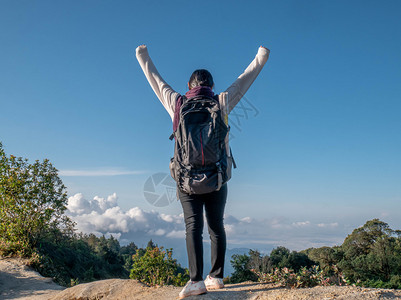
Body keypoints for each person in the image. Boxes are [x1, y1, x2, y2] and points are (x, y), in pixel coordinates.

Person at [136, 44, 270, 299]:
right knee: (216, 226)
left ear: (189, 86)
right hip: (217, 176)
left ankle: (195, 281)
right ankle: (216, 277)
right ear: (211, 84)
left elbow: (156, 81)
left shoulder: (177, 103)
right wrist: (260, 59)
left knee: (192, 226)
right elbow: (244, 81)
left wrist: (143, 57)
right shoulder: (221, 101)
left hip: (186, 178)